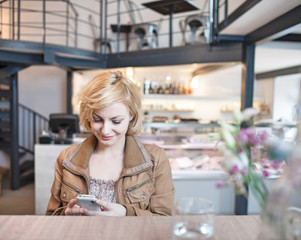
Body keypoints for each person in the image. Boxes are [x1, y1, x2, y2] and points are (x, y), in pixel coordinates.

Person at [46, 71, 175, 216]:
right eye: (97, 119)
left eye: (116, 121)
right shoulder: (67, 158)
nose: (105, 130)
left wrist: (126, 213)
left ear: (131, 116)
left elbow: (164, 220)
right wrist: (65, 214)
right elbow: (51, 216)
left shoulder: (155, 159)